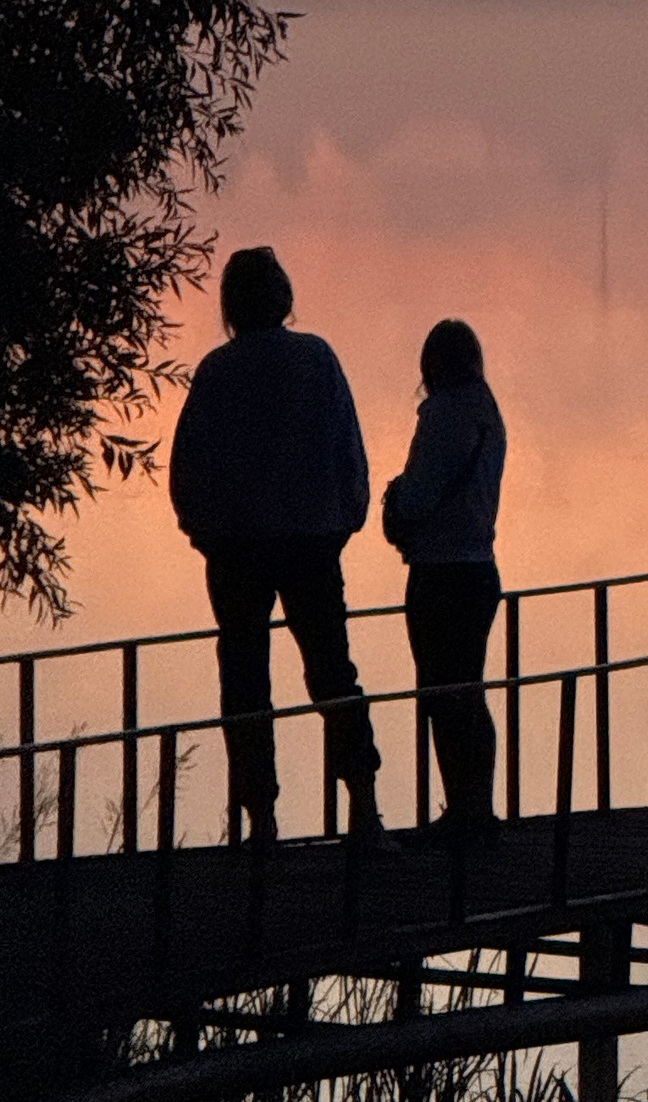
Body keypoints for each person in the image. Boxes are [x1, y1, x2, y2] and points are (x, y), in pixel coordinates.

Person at [169, 244, 382, 843]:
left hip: (237, 549)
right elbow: (349, 449)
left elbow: (187, 467)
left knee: (245, 683)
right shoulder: (317, 359)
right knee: (333, 673)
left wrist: (203, 532)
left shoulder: (217, 371)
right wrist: (346, 520)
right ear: (284, 296)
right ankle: (364, 808)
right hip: (312, 541)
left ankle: (260, 820)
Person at [380, 319, 507, 843]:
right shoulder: (488, 413)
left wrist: (394, 496)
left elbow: (418, 494)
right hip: (480, 568)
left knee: (441, 691)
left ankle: (462, 810)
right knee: (469, 691)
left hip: (440, 572)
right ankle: (478, 806)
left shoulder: (443, 415)